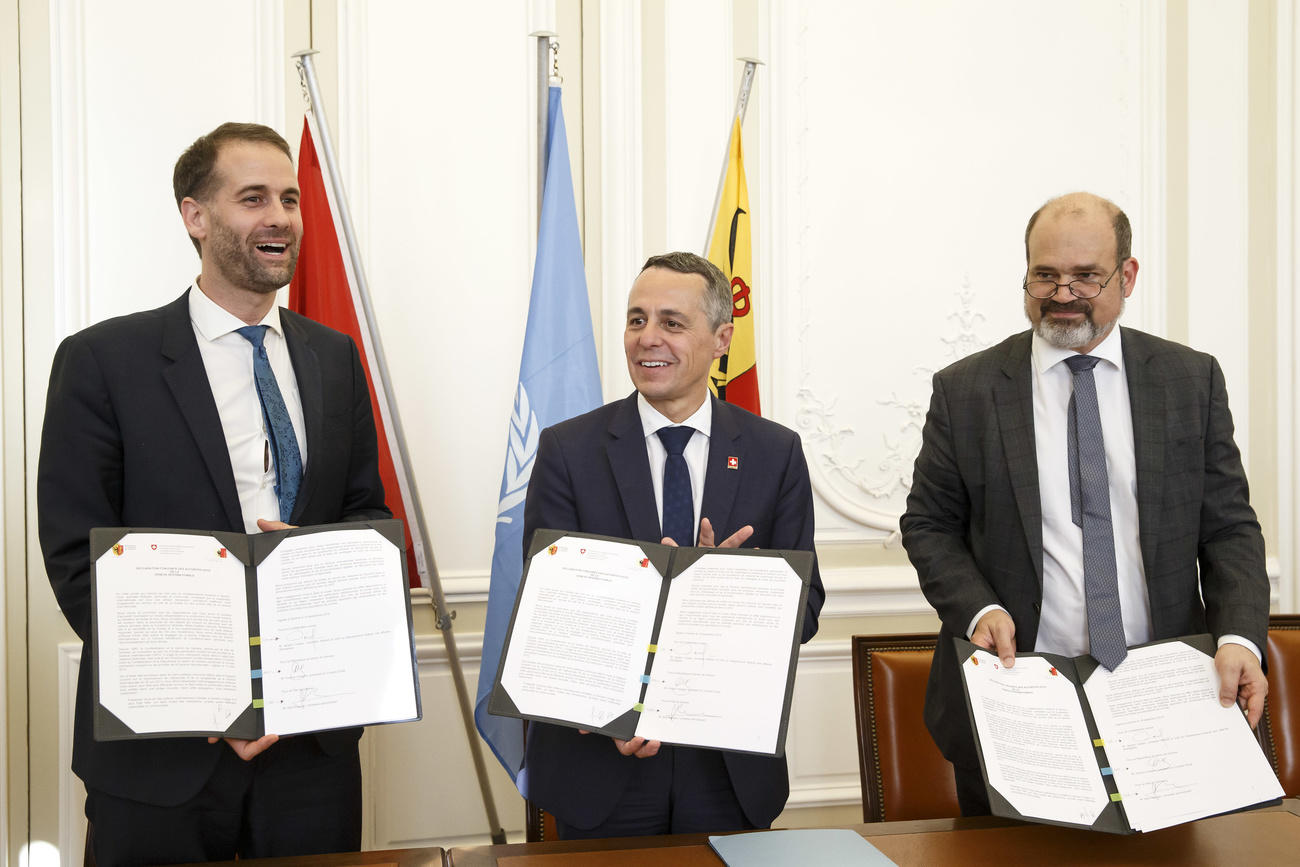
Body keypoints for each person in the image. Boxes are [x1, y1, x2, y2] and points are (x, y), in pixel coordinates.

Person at [37, 122, 390, 865]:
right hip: (162, 752)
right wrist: (207, 696)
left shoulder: (334, 356)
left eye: (290, 199)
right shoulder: (103, 361)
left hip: (310, 749)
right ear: (195, 217)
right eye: (254, 197)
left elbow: (369, 514)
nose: (281, 217)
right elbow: (78, 556)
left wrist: (323, 562)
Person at [900, 191, 1270, 815]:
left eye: (1086, 276)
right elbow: (929, 525)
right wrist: (977, 607)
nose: (1063, 293)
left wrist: (1238, 635)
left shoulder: (1191, 379)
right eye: (1045, 275)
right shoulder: (966, 390)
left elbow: (1229, 527)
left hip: (1165, 696)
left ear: (1127, 276)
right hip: (1018, 694)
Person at [521, 251, 825, 838]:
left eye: (671, 322)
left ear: (721, 338)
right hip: (603, 762)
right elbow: (547, 607)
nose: (646, 338)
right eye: (636, 320)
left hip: (728, 767)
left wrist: (736, 590)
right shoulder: (568, 450)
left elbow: (806, 610)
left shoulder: (775, 453)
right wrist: (615, 705)